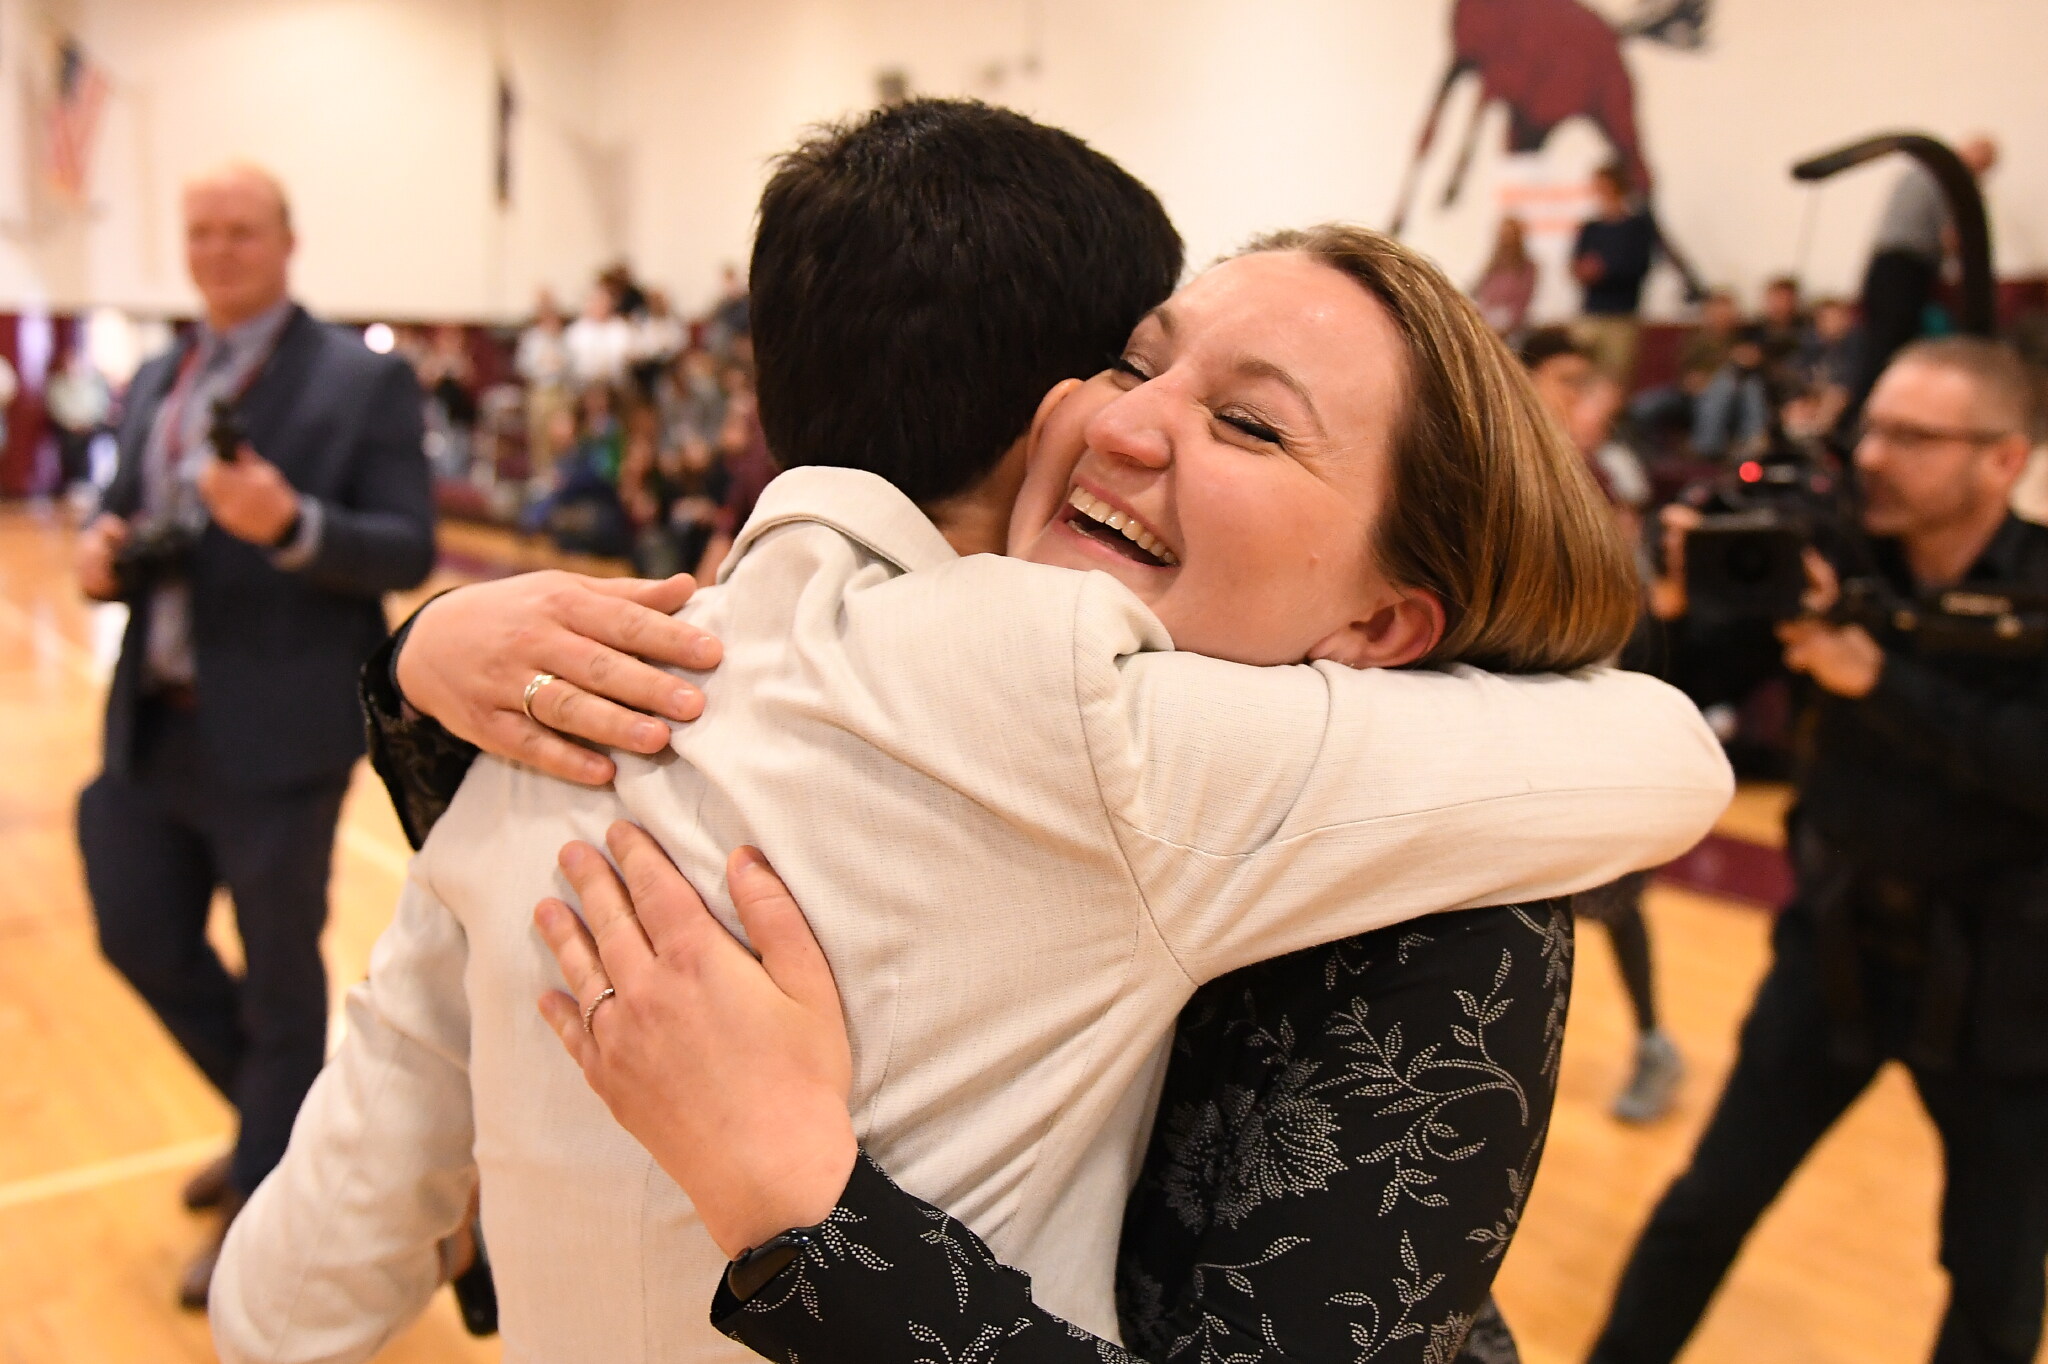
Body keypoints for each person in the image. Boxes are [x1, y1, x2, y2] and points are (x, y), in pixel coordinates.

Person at [211, 103, 1729, 1364]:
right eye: (1134, 364)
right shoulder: (1068, 697)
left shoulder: (541, 736)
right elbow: (1670, 759)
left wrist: (803, 1208)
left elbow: (283, 1302)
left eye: (1250, 421)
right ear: (1037, 407)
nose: (1129, 422)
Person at [1591, 337, 2048, 1364]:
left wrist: (1877, 679)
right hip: (1835, 956)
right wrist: (1672, 610)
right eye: (1871, 428)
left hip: (2012, 987)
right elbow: (1675, 688)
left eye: (1914, 437)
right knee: (1702, 1211)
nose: (1872, 456)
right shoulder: (1827, 558)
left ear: (2003, 460)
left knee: (1996, 1280)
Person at [70, 161, 435, 1308]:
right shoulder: (160, 375)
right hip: (153, 720)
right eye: (200, 232)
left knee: (282, 983)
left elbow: (407, 545)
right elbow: (122, 509)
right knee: (138, 932)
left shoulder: (358, 380)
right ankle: (280, 1125)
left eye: (239, 230)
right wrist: (99, 548)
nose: (218, 250)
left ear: (286, 239)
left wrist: (292, 524)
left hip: (282, 734)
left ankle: (269, 1202)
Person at [1847, 136, 1999, 419]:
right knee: (1892, 350)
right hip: (1906, 270)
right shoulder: (1948, 179)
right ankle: (1872, 419)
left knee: (1880, 348)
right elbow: (1953, 238)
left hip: (1884, 267)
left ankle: (1865, 420)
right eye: (1982, 168)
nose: (1982, 176)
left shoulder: (1917, 173)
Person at [1570, 162, 1663, 391]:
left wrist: (1605, 271)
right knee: (1579, 377)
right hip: (1591, 312)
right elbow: (1576, 263)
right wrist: (1583, 271)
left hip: (1621, 315)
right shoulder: (1590, 228)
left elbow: (1640, 266)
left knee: (1614, 383)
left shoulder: (1637, 227)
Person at [1471, 216, 1538, 338]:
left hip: (1511, 328)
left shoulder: (1527, 268)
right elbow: (1479, 292)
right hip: (1486, 321)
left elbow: (1521, 303)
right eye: (1503, 235)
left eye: (1510, 235)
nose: (1506, 240)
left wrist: (1506, 327)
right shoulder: (1492, 266)